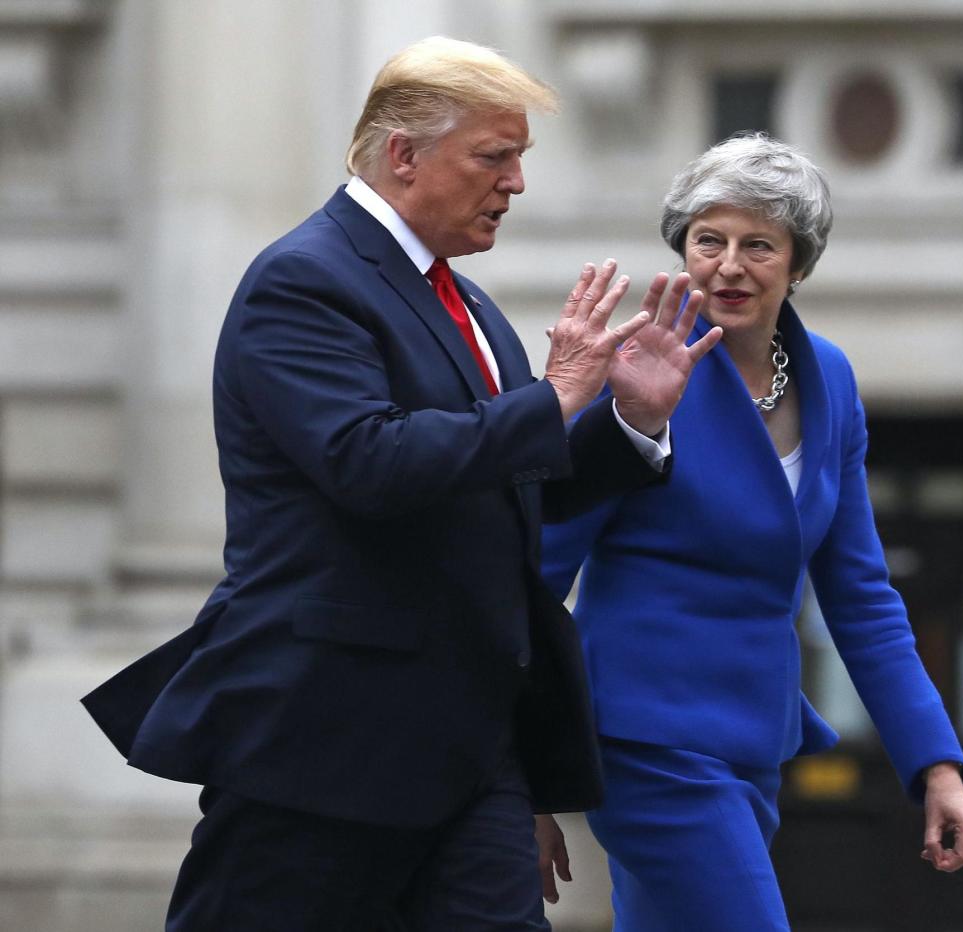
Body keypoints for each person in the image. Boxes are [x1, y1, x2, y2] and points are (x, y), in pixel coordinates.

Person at [81, 37, 719, 931]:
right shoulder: (303, 280)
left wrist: (631, 424)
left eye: (521, 159)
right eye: (495, 157)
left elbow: (506, 485)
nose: (517, 184)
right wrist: (553, 399)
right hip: (324, 739)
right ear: (403, 155)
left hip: (471, 749)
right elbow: (368, 464)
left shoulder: (466, 301)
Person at [537, 133, 963, 931]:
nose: (729, 265)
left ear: (799, 264)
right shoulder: (638, 369)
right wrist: (523, 772)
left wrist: (936, 764)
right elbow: (538, 565)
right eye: (709, 240)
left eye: (758, 245)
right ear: (682, 249)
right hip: (646, 741)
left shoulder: (832, 381)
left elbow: (859, 594)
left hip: (755, 745)